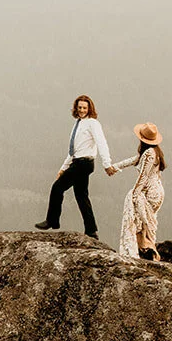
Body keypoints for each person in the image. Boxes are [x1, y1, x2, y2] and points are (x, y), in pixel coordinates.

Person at [35, 94, 114, 239]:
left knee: (57, 188)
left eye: (84, 108)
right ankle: (91, 230)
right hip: (79, 162)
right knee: (81, 196)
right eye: (79, 108)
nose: (82, 110)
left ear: (90, 108)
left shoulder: (92, 123)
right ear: (76, 109)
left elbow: (101, 143)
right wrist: (63, 167)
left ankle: (52, 221)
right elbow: (73, 150)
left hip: (84, 163)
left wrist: (107, 163)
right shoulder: (78, 123)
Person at [111, 122, 166, 260]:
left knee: (138, 220)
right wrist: (115, 167)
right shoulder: (154, 151)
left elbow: (144, 176)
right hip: (156, 192)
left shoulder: (149, 153)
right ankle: (146, 250)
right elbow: (134, 160)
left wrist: (135, 193)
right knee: (143, 222)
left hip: (150, 192)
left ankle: (145, 249)